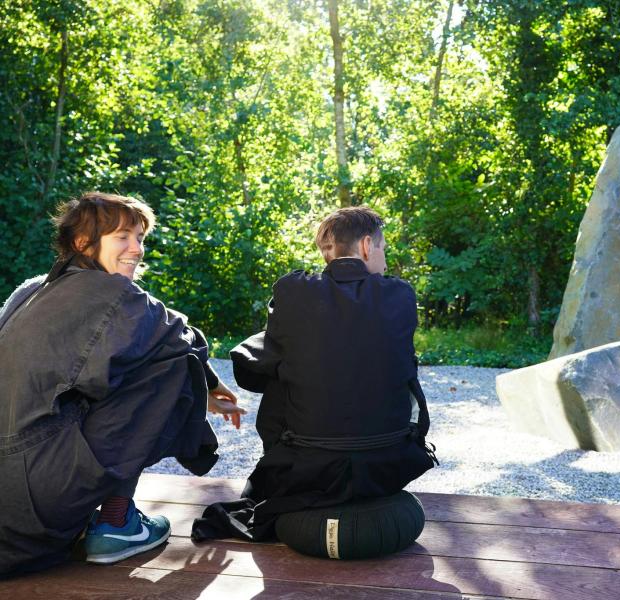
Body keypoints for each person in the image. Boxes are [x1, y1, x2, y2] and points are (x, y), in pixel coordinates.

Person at [0, 192, 246, 576]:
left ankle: (114, 514)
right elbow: (183, 340)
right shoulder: (113, 293)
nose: (137, 249)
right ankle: (117, 522)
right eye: (122, 237)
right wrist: (210, 387)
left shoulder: (30, 291)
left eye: (140, 238)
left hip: (10, 502)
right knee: (171, 364)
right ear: (83, 243)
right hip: (37, 502)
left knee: (134, 357)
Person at [192, 206, 437, 542]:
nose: (383, 259)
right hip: (389, 461)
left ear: (327, 251)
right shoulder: (401, 295)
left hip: (308, 466)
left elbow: (259, 368)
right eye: (382, 249)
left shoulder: (294, 291)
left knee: (281, 370)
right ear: (367, 246)